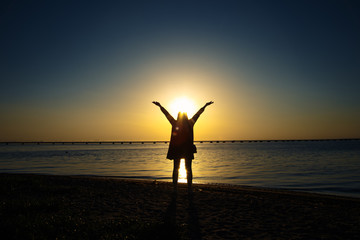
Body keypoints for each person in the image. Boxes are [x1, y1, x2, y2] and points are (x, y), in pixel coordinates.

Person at [152, 100, 214, 191]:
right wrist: (205, 105)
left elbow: (166, 114)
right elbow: (198, 114)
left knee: (176, 169)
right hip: (187, 149)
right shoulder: (190, 123)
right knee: (188, 169)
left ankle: (175, 188)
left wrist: (160, 106)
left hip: (178, 150)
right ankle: (188, 187)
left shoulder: (175, 123)